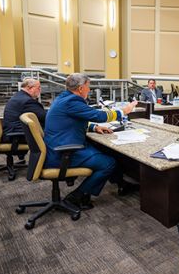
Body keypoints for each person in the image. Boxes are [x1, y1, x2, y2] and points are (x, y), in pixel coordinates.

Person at [44, 73, 139, 210]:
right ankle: (76, 197)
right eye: (88, 87)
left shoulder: (63, 98)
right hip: (63, 152)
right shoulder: (72, 101)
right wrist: (123, 111)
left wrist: (94, 127)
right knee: (108, 163)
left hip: (59, 145)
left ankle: (121, 184)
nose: (89, 90)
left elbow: (73, 120)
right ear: (81, 88)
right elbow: (98, 115)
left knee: (107, 151)